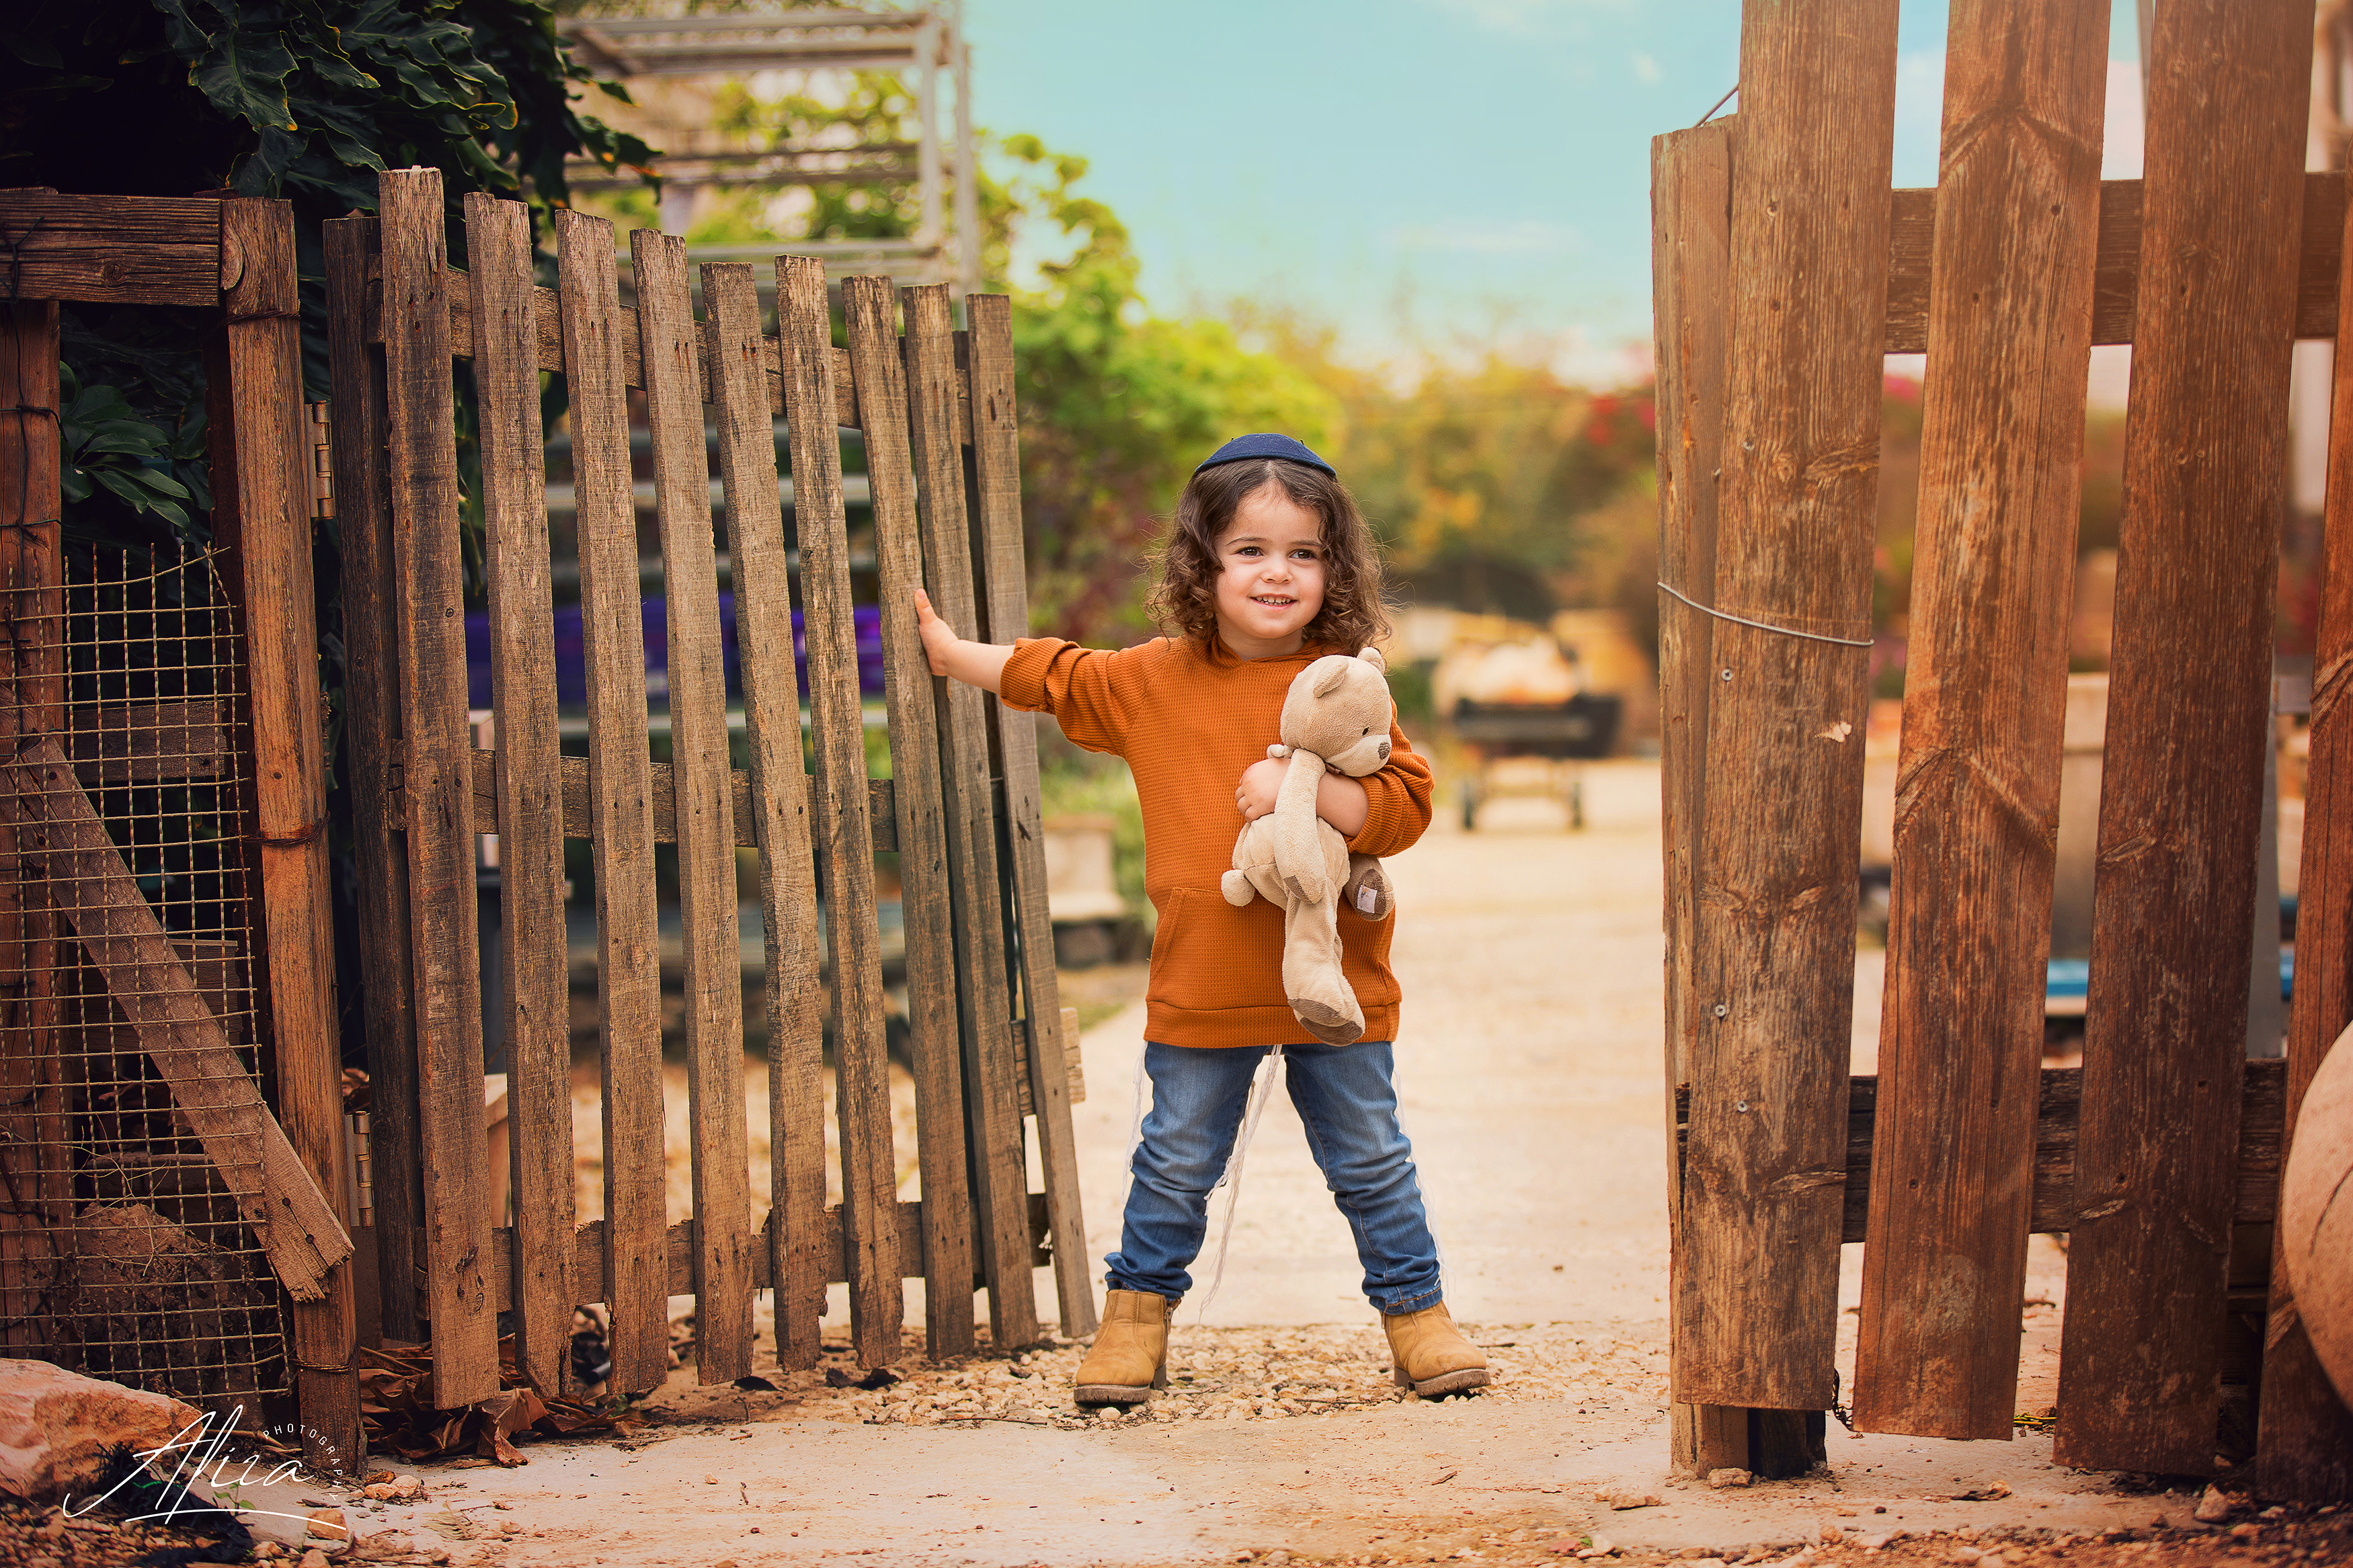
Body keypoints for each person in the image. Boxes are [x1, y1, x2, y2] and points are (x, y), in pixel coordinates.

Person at [913, 432, 1488, 1407]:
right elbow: (1053, 673)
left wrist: (1303, 795)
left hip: (1334, 986)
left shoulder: (1346, 680)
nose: (1278, 573)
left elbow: (1408, 800)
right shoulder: (1153, 679)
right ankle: (1136, 1319)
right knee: (1176, 1159)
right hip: (1203, 976)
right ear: (1204, 563)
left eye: (1304, 553)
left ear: (1335, 569)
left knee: (1371, 1158)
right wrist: (947, 652)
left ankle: (1418, 1315)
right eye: (1251, 551)